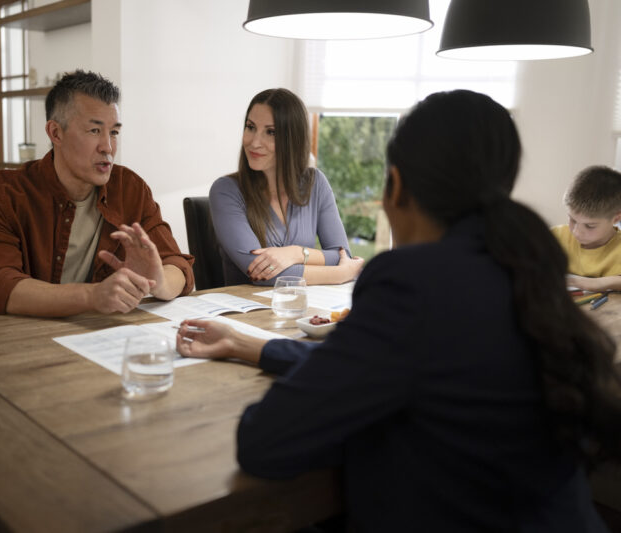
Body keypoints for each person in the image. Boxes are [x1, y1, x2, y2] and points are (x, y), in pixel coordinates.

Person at [177, 90, 621, 532]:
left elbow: (263, 441)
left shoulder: (410, 283)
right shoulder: (531, 270)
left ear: (398, 185)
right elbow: (402, 364)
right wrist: (254, 345)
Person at [0, 70, 194, 317]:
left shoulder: (129, 188)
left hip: (96, 336)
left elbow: (179, 267)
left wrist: (157, 281)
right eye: (94, 131)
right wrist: (93, 296)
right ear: (56, 133)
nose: (108, 147)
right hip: (16, 340)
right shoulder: (1, 193)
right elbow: (0, 287)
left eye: (114, 132)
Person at [209, 88, 364, 286]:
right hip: (250, 314)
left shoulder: (315, 183)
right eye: (250, 127)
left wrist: (295, 253)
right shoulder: (225, 191)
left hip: (300, 310)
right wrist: (342, 274)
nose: (254, 142)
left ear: (293, 139)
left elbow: (342, 255)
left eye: (270, 132)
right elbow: (263, 274)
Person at [551, 165, 621, 292]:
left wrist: (600, 283)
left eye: (590, 226)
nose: (576, 232)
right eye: (572, 220)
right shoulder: (557, 236)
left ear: (616, 219)